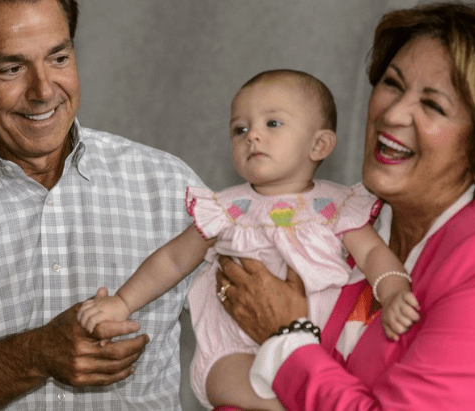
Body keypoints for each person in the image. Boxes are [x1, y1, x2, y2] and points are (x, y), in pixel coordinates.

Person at [213, 3, 475, 410]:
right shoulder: (347, 217)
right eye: (392, 83)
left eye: (433, 105)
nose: (392, 113)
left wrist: (285, 335)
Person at [77, 69, 420, 410]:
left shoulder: (336, 206)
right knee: (231, 380)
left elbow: (373, 253)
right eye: (240, 129)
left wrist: (393, 292)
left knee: (349, 376)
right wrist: (122, 302)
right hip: (236, 350)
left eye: (272, 124)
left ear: (319, 144)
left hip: (321, 347)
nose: (252, 136)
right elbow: (172, 260)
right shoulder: (226, 209)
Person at [0, 0, 204, 409]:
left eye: (58, 58)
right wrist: (34, 356)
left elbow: (257, 333)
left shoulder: (168, 188)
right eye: (11, 68)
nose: (43, 91)